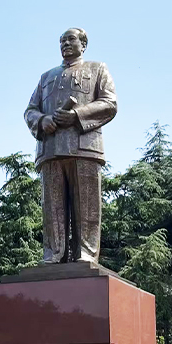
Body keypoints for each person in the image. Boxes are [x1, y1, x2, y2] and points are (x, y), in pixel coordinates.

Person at [24, 28, 117, 263]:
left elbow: (109, 103)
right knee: (52, 208)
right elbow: (30, 110)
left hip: (84, 147)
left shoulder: (97, 69)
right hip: (51, 150)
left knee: (87, 207)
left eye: (70, 39)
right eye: (61, 41)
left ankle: (86, 253)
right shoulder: (46, 77)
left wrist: (76, 115)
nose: (65, 43)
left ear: (83, 44)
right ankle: (54, 254)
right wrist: (43, 121)